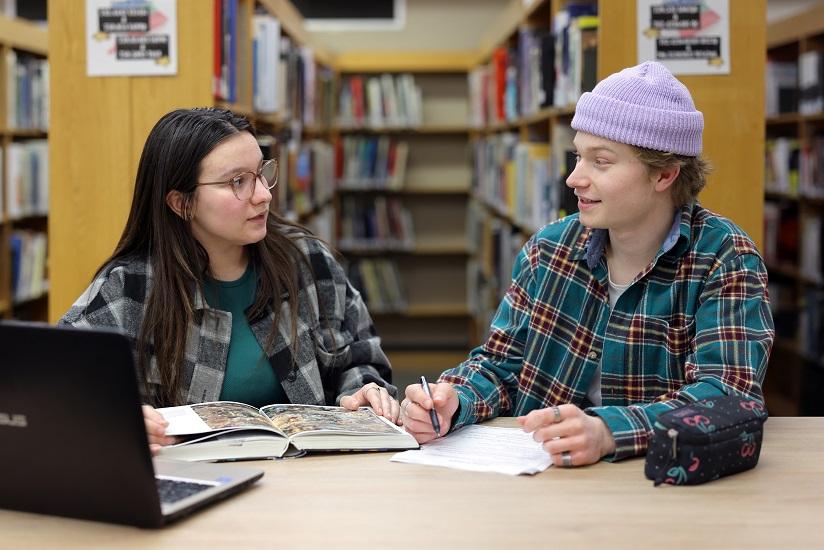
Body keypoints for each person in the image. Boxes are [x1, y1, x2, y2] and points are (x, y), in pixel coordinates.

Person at [400, 61, 774, 467]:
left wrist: (608, 431)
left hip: (653, 489)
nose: (574, 178)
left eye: (601, 161)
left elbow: (727, 395)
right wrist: (455, 399)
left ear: (665, 174)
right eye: (577, 156)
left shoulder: (724, 257)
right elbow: (501, 366)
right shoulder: (549, 249)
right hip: (540, 479)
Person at [60, 108, 399, 454]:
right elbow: (56, 388)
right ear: (181, 203)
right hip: (190, 486)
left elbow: (362, 359)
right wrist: (112, 418)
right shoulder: (130, 288)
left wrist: (364, 392)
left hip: (308, 487)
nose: (264, 195)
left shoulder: (308, 263)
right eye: (238, 181)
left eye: (263, 173)